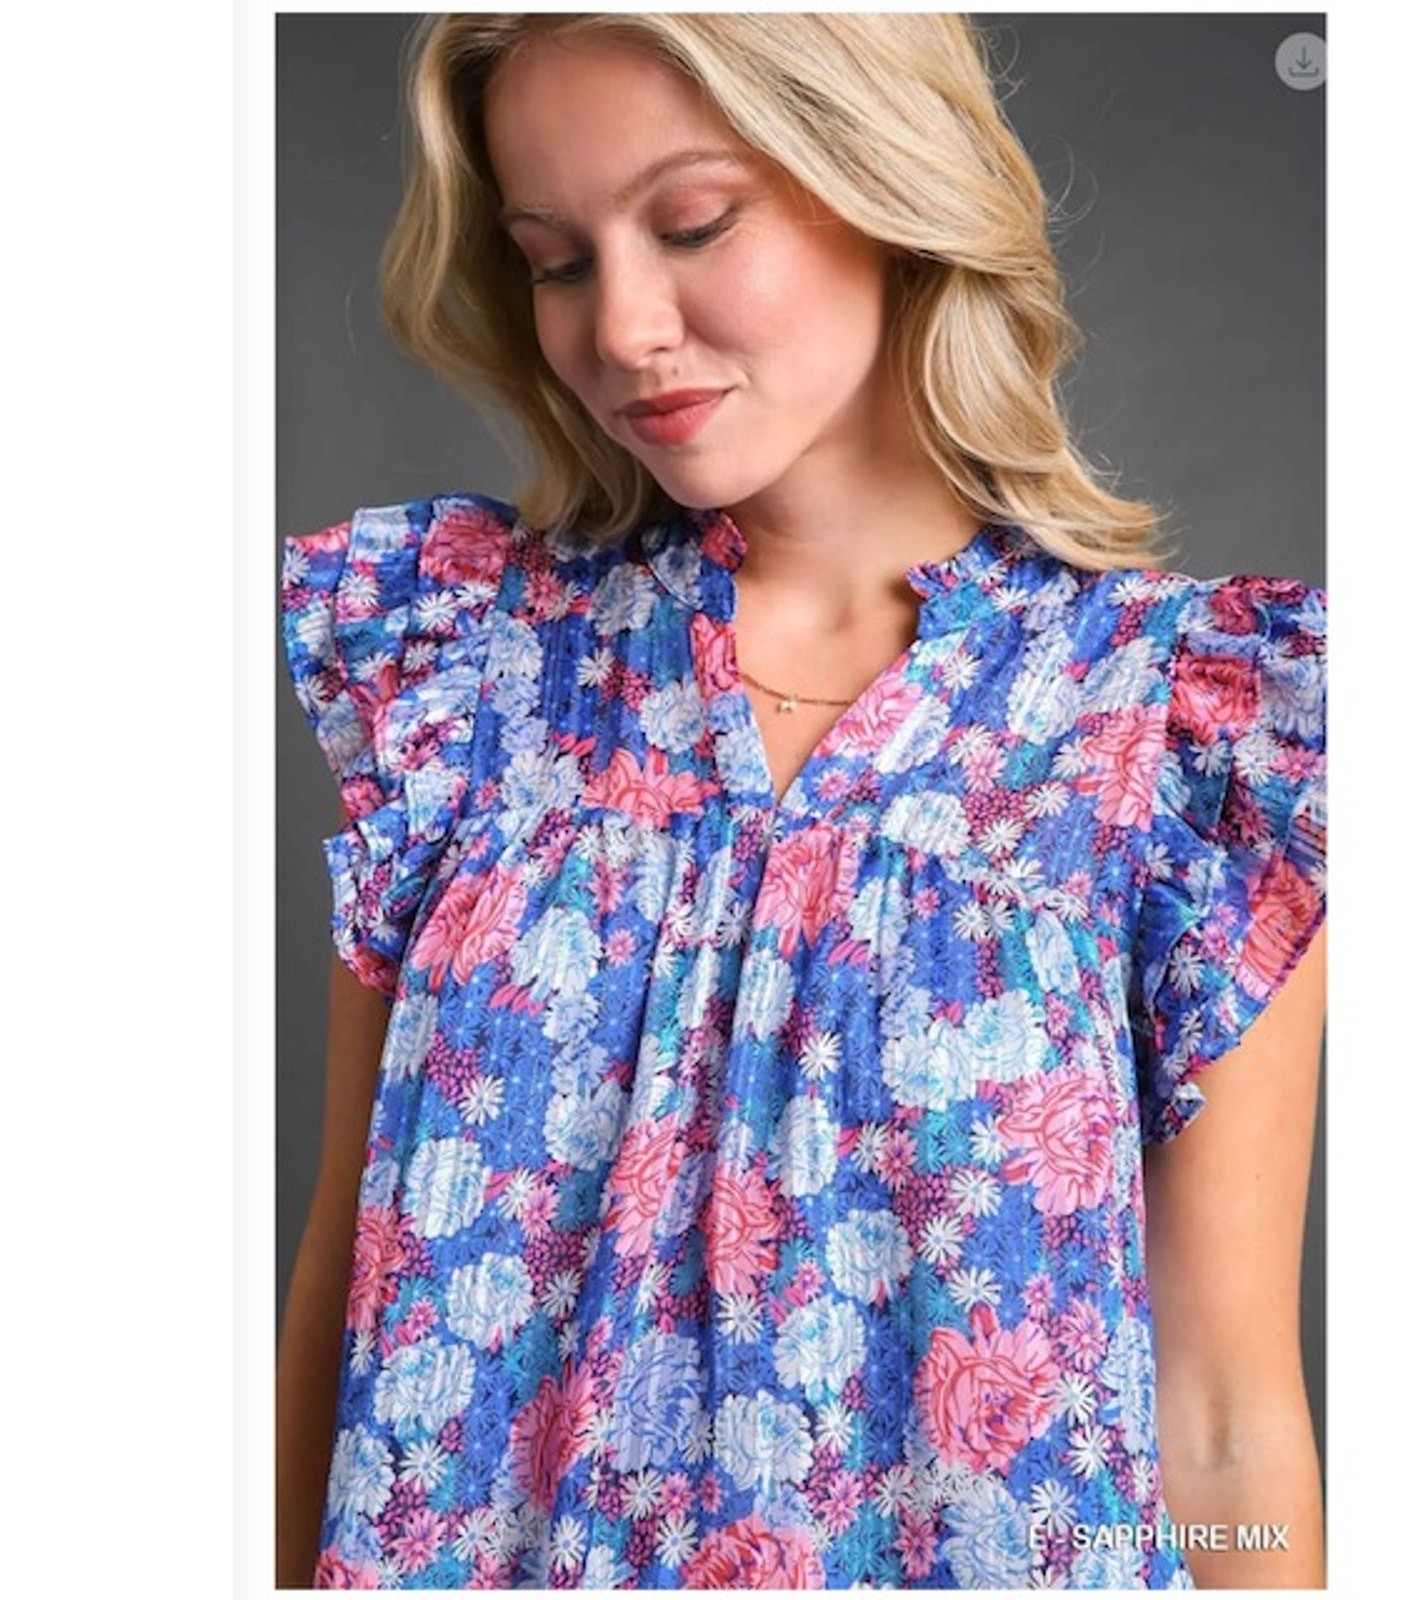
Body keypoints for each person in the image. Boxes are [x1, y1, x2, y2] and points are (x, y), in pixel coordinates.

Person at [277, 12, 1327, 1590]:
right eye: (557, 261)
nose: (623, 326)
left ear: (889, 184)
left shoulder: (1179, 729)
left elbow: (1225, 1419)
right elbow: (340, 1301)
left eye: (696, 223)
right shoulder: (463, 670)